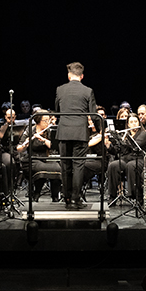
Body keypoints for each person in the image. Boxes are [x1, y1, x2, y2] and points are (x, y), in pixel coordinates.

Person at [54, 62, 97, 210]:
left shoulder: (60, 89)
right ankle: (75, 199)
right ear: (82, 76)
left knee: (65, 166)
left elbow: (56, 109)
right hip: (80, 132)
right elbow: (94, 113)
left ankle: (66, 197)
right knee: (78, 166)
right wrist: (99, 129)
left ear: (68, 75)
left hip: (64, 131)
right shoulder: (88, 91)